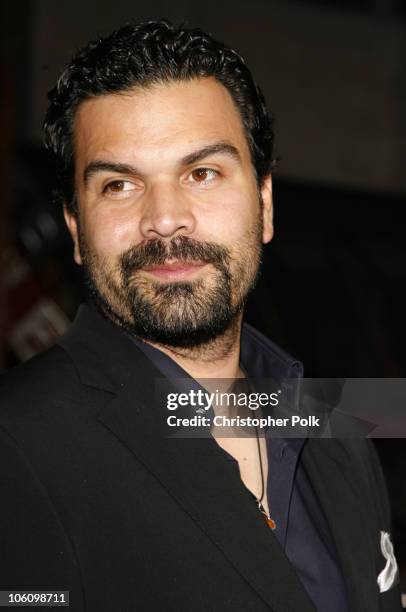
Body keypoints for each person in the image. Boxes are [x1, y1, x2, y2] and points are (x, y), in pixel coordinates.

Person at [0, 20, 402, 612]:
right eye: (119, 185)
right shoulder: (20, 444)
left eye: (202, 173)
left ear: (264, 206)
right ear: (76, 231)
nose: (165, 218)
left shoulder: (338, 426)